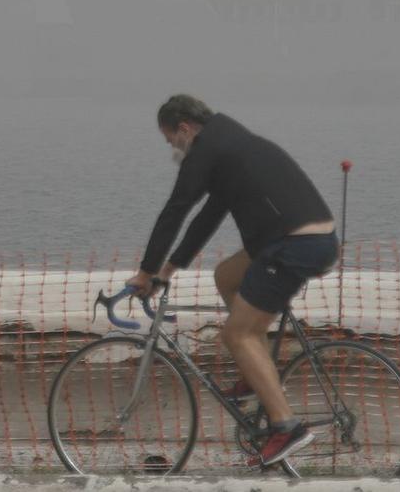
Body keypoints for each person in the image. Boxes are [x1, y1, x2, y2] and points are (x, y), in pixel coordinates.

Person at [126, 94, 338, 468]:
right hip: (305, 240)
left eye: (171, 140)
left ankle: (286, 426)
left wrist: (145, 271)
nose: (173, 149)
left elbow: (176, 210)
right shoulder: (231, 145)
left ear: (185, 129)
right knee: (226, 275)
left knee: (237, 334)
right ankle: (255, 375)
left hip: (293, 245)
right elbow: (206, 219)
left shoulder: (207, 151)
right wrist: (166, 272)